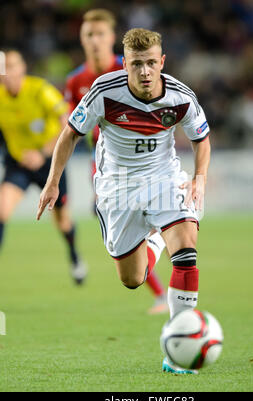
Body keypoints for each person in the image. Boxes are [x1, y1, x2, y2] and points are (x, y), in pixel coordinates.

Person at [37, 28, 211, 374]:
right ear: (125, 64)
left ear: (161, 61)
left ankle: (179, 343)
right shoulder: (104, 92)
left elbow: (201, 138)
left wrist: (200, 176)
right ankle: (155, 237)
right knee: (133, 279)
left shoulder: (180, 97)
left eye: (150, 63)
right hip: (117, 188)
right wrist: (52, 182)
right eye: (136, 64)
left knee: (187, 251)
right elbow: (70, 134)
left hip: (163, 178)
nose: (144, 71)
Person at [65, 9, 168, 314]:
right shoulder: (75, 81)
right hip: (103, 162)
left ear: (112, 39)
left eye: (100, 34)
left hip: (143, 160)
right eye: (88, 35)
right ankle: (155, 281)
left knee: (121, 219)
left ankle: (161, 282)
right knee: (110, 227)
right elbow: (69, 126)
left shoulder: (132, 68)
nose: (95, 40)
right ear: (82, 40)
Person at [0, 50, 87, 285]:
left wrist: (43, 153)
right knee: (2, 210)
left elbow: (66, 124)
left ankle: (75, 257)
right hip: (18, 163)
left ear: (22, 68)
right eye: (3, 67)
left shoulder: (40, 90)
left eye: (12, 65)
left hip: (50, 163)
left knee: (62, 221)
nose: (7, 72)